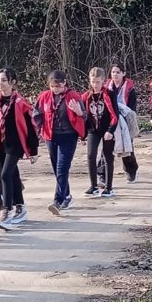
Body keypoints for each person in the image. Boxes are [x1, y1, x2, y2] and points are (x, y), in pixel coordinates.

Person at [0, 68, 37, 232]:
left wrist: (33, 151)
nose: (0, 83)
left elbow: (31, 128)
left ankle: (7, 211)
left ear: (12, 82)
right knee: (9, 175)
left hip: (15, 144)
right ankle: (21, 207)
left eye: (4, 80)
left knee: (5, 174)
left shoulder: (21, 103)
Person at [32, 70, 86, 215]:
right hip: (51, 136)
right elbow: (36, 114)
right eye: (53, 86)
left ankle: (58, 200)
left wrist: (78, 111)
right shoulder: (44, 97)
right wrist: (36, 132)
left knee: (62, 168)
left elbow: (85, 116)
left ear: (64, 83)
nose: (56, 89)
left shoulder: (73, 96)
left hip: (68, 136)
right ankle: (67, 195)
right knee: (57, 170)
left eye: (58, 86)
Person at [82, 68, 122, 192]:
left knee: (108, 156)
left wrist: (110, 131)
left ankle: (109, 187)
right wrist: (82, 135)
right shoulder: (86, 96)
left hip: (107, 130)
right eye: (93, 82)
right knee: (90, 155)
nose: (95, 85)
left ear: (103, 81)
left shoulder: (109, 94)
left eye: (98, 82)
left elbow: (115, 115)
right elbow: (84, 117)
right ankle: (93, 185)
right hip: (93, 130)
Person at [107, 64, 140, 182]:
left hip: (125, 119)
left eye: (118, 72)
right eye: (113, 72)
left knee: (127, 146)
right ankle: (102, 174)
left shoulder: (130, 89)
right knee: (106, 147)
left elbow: (132, 108)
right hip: (110, 119)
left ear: (123, 73)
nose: (115, 75)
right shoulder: (107, 87)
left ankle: (131, 171)